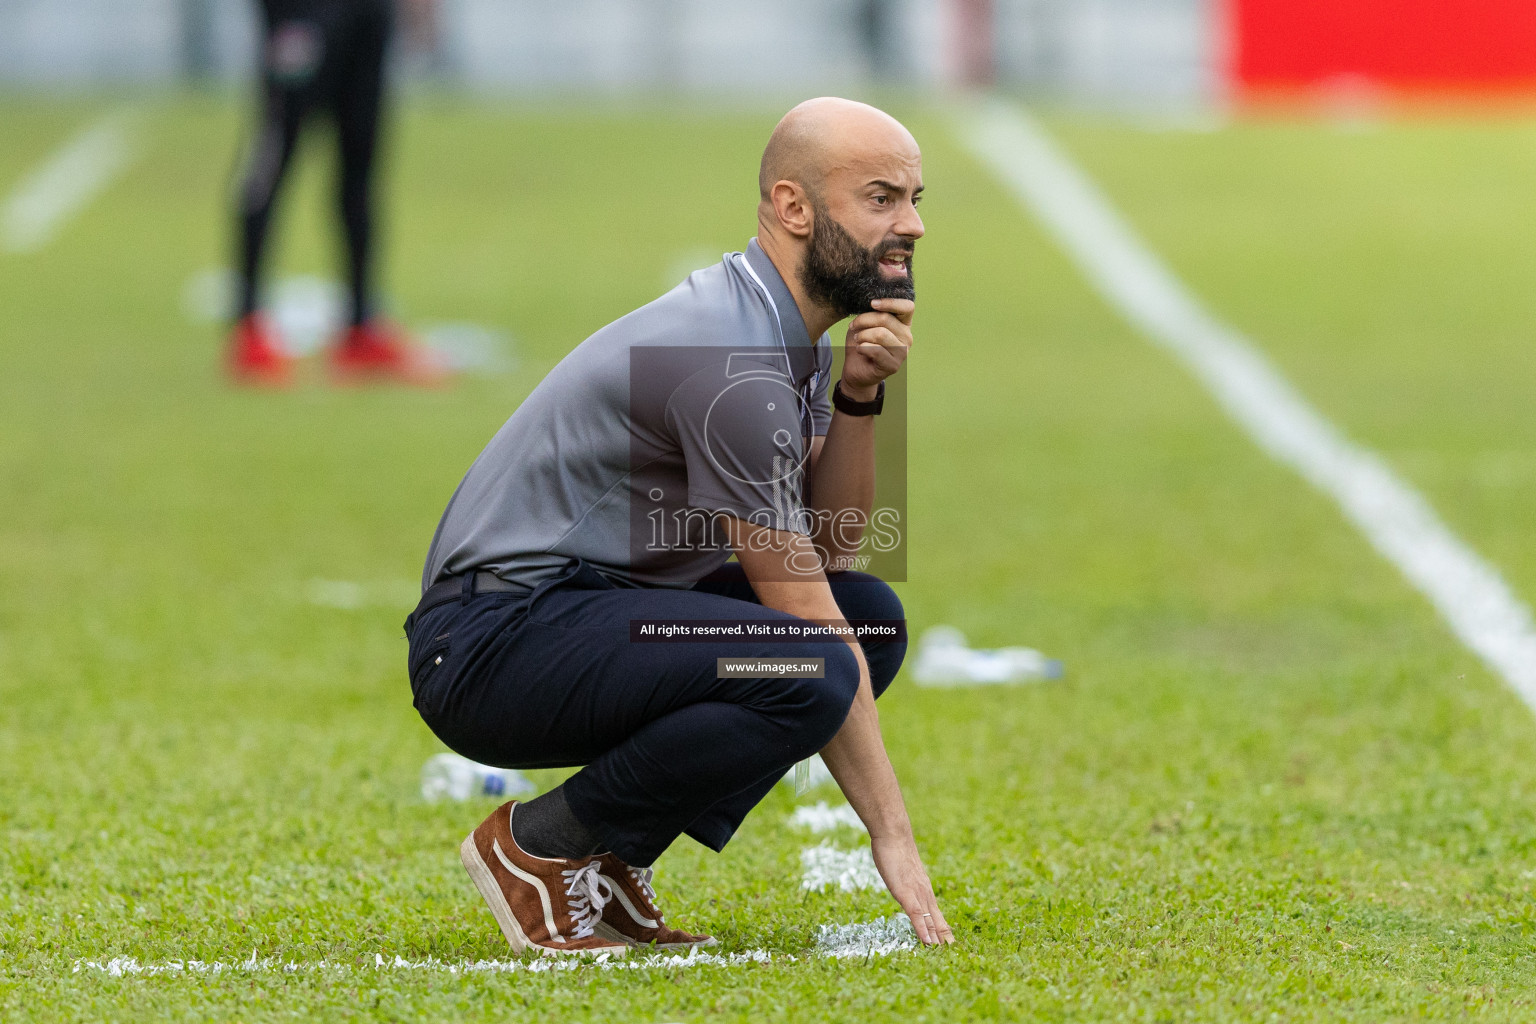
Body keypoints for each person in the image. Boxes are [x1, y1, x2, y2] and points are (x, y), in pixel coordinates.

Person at [403, 97, 953, 955]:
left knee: (870, 618)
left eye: (916, 198)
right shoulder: (727, 353)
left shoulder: (787, 337)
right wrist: (894, 835)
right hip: (497, 640)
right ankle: (538, 845)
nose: (912, 224)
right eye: (882, 198)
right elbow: (805, 616)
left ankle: (613, 858)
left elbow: (834, 554)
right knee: (809, 657)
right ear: (793, 207)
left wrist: (858, 395)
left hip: (592, 614)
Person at [227, 0, 444, 385]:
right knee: (273, 152)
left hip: (368, 11)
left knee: (360, 165)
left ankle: (359, 326)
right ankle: (249, 325)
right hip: (303, 13)